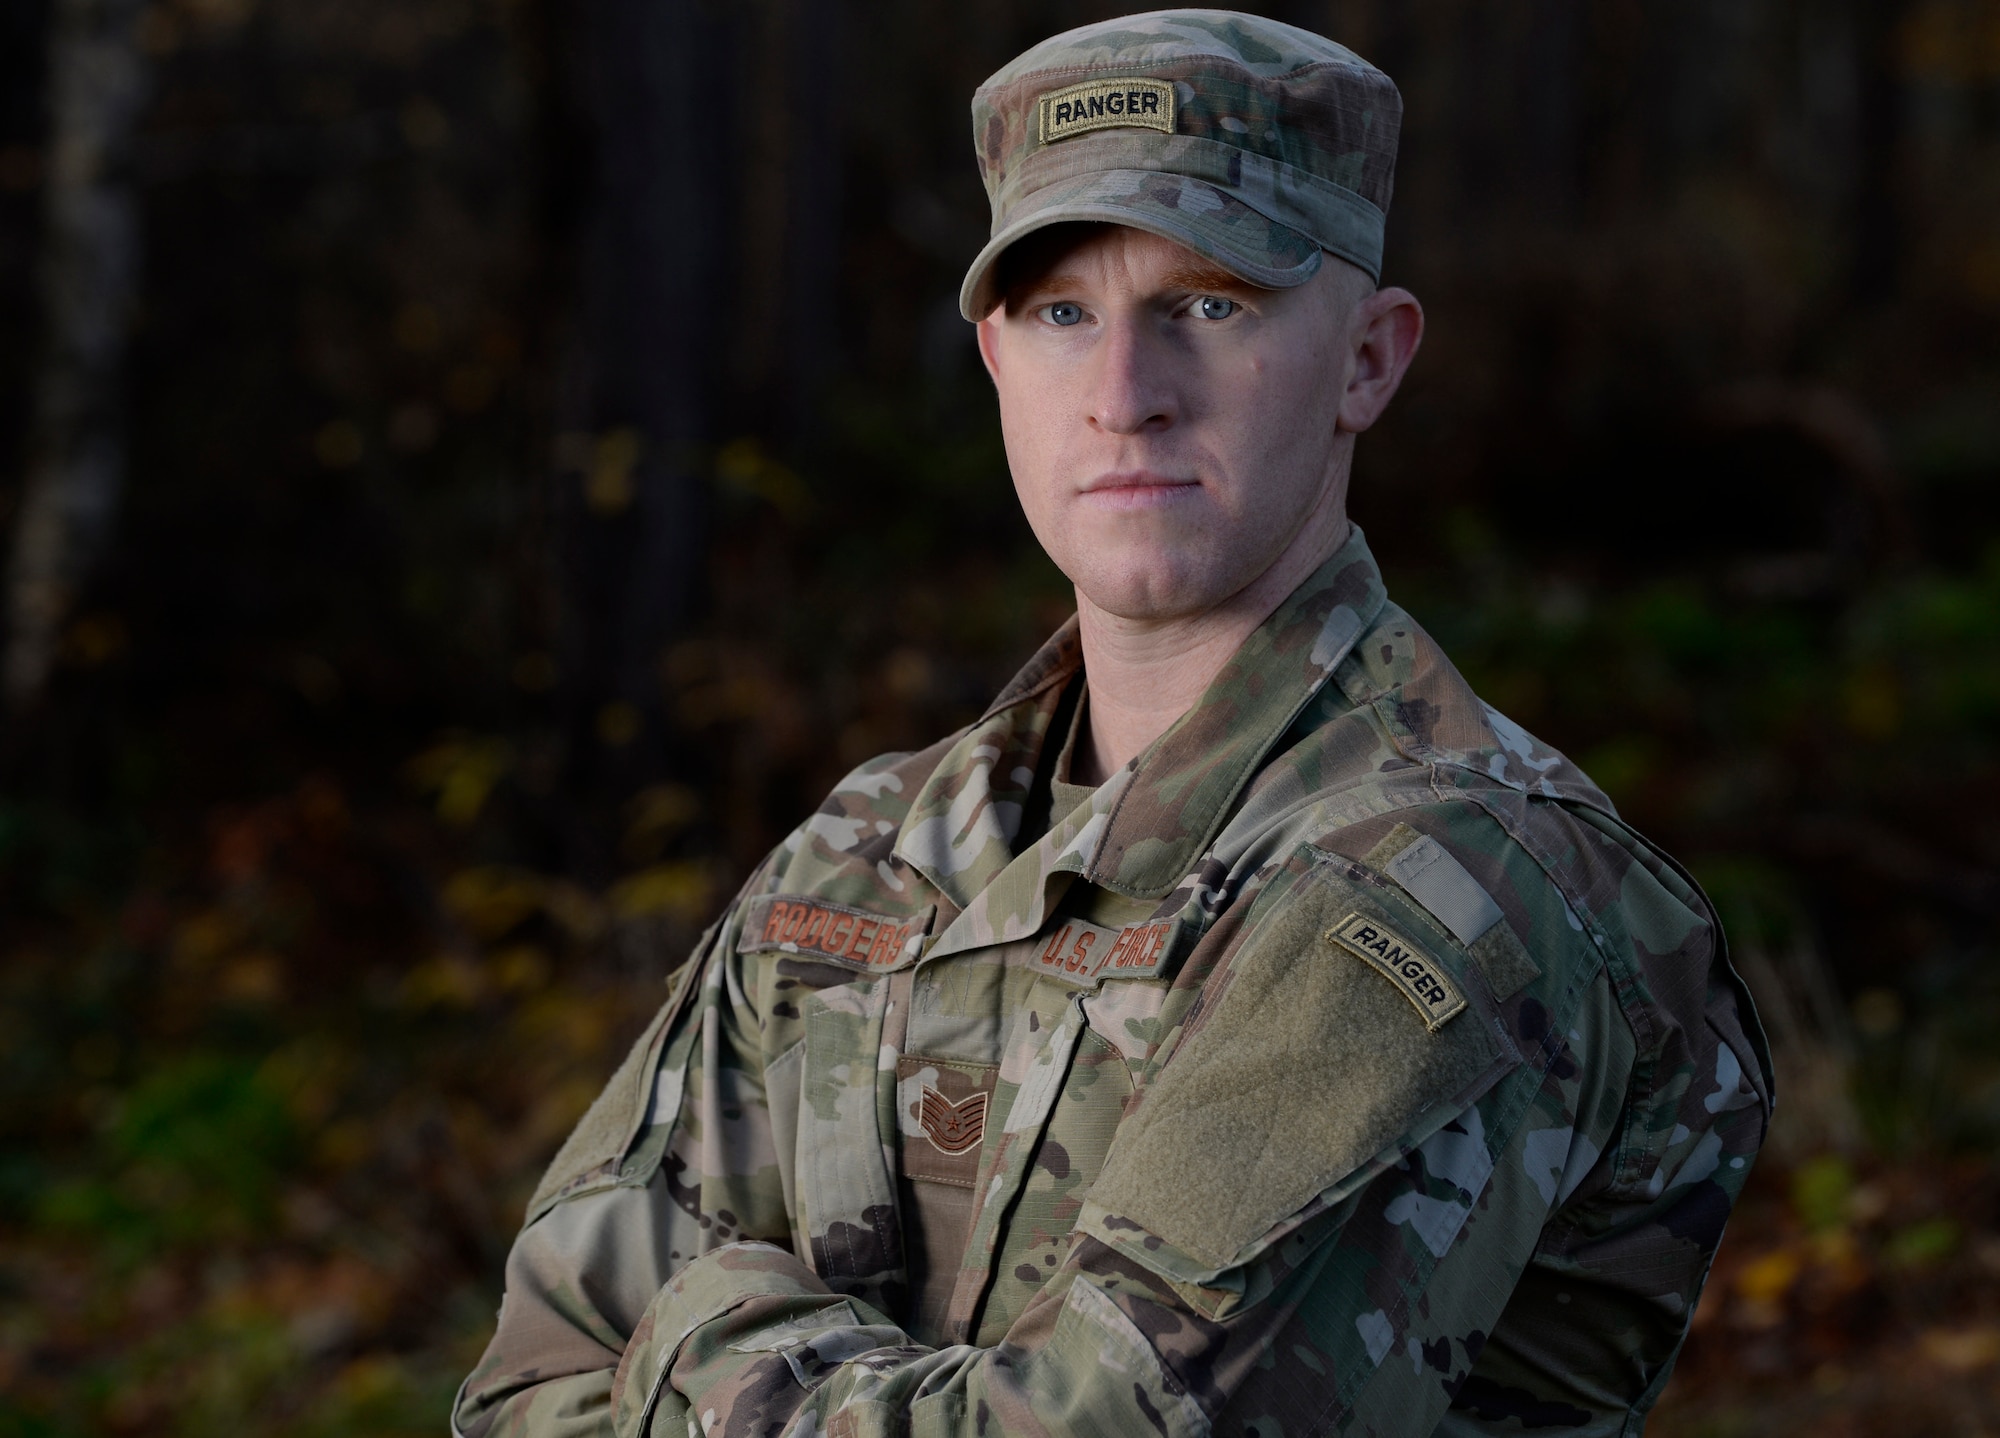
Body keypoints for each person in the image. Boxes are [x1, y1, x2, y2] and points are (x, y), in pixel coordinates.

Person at [453, 12, 1772, 1436]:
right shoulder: (865, 859)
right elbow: (529, 1380)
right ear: (995, 359)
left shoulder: (1455, 878)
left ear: (1369, 362)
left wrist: (703, 1334)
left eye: (1212, 304)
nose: (1126, 397)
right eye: (1063, 313)